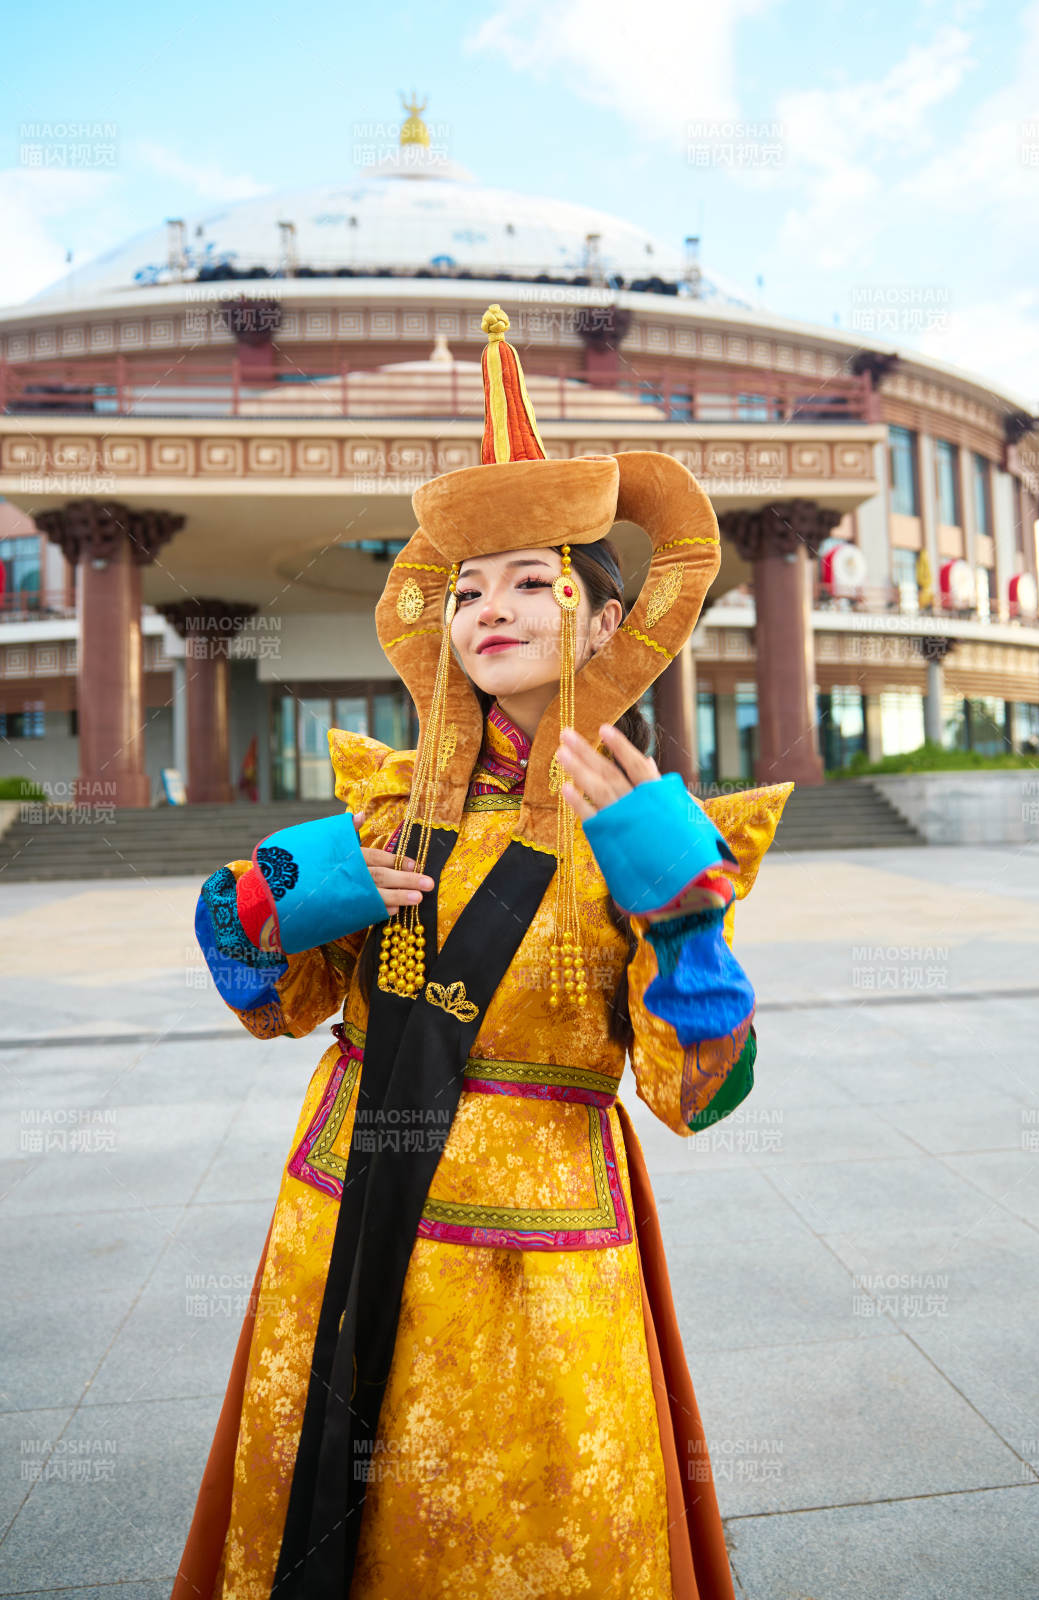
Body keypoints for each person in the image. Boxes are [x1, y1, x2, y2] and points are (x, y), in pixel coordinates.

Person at [173, 305, 792, 1600]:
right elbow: (278, 997)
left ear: (608, 620)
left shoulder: (648, 827)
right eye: (464, 589)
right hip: (341, 1213)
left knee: (543, 1530)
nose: (488, 611)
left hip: (539, 1238)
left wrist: (683, 920)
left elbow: (697, 1093)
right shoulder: (386, 808)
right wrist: (280, 900)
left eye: (530, 582)